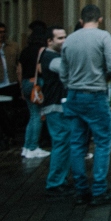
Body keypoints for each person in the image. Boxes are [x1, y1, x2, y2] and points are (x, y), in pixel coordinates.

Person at [60, 4, 111, 206]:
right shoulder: (103, 36)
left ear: (81, 20)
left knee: (77, 144)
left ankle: (81, 191)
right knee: (103, 142)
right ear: (100, 19)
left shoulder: (69, 39)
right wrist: (104, 78)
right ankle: (99, 191)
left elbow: (63, 73)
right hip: (95, 95)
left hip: (73, 96)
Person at [41, 26, 72, 197]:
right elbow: (65, 70)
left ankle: (59, 179)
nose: (64, 40)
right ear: (49, 41)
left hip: (57, 105)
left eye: (65, 37)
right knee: (61, 143)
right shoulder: (51, 57)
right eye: (60, 38)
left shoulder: (52, 56)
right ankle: (55, 182)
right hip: (55, 105)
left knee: (63, 142)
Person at [18, 21, 51, 159]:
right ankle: (33, 147)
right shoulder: (42, 50)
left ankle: (26, 147)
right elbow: (41, 69)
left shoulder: (25, 50)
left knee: (32, 115)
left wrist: (21, 86)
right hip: (37, 84)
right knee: (38, 116)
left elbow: (19, 69)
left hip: (26, 83)